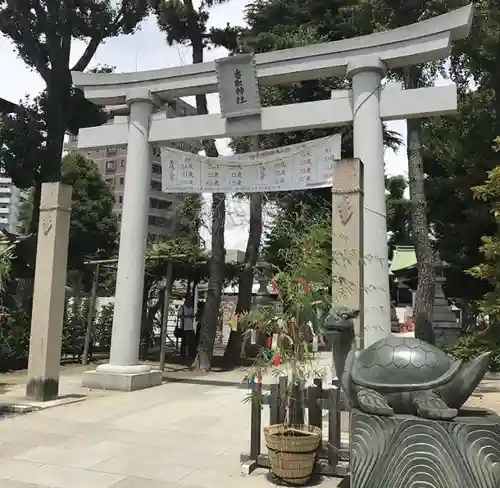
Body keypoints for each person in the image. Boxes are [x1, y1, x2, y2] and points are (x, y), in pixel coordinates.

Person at [178, 295, 196, 360]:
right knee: (184, 342)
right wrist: (187, 316)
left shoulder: (191, 308)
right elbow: (179, 316)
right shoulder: (182, 308)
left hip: (190, 327)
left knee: (191, 342)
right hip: (184, 328)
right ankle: (183, 355)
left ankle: (190, 355)